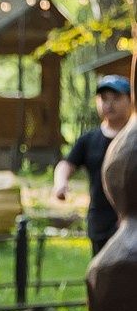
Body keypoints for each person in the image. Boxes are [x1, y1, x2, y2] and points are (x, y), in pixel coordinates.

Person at [56, 73, 132, 255]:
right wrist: (61, 183)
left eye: (116, 98)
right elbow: (67, 164)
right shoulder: (89, 139)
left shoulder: (133, 139)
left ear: (130, 100)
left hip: (131, 219)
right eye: (104, 99)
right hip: (100, 218)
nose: (109, 104)